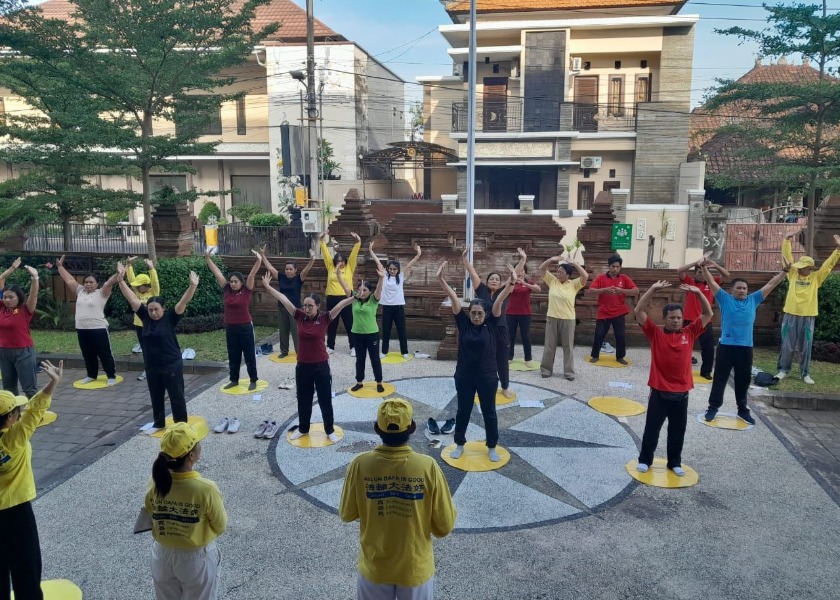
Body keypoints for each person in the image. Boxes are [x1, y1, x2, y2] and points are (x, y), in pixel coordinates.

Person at [339, 398, 456, 600]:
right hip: (415, 569)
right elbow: (444, 527)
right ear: (412, 428)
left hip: (374, 568)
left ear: (376, 428)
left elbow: (346, 514)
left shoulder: (360, 465)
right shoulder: (428, 467)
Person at [261, 273, 354, 443]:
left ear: (318, 306)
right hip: (303, 366)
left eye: (310, 306)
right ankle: (303, 428)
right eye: (305, 305)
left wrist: (355, 297)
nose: (307, 308)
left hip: (321, 366)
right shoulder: (299, 316)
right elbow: (283, 299)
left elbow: (340, 305)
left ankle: (329, 429)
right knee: (303, 399)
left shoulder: (325, 318)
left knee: (325, 400)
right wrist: (268, 287)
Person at [439, 260, 515, 462]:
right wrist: (441, 279)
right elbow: (453, 297)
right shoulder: (463, 323)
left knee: (489, 412)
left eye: (480, 313)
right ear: (469, 313)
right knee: (463, 411)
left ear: (486, 315)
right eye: (473, 313)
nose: (476, 316)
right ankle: (459, 443)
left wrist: (511, 282)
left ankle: (492, 446)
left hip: (487, 377)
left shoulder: (492, 324)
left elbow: (499, 301)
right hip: (464, 377)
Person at [634, 282, 712, 476]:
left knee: (677, 431)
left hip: (681, 393)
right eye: (672, 318)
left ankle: (674, 462)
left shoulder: (690, 332)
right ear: (664, 319)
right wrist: (652, 289)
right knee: (652, 429)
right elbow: (638, 311)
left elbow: (708, 314)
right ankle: (645, 460)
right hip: (659, 391)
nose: (676, 321)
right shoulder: (655, 333)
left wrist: (698, 292)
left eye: (678, 317)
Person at [0, 359, 63, 600]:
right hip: (17, 513)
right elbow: (35, 411)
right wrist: (52, 383)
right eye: (17, 410)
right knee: (26, 570)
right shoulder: (14, 439)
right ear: (10, 417)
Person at [146, 422, 227, 600]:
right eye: (198, 442)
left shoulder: (155, 483)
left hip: (162, 555)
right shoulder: (206, 489)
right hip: (196, 559)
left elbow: (150, 515)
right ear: (191, 455)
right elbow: (220, 526)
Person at [117, 264, 199, 434]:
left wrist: (192, 286)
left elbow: (183, 301)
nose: (153, 313)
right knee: (156, 395)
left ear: (163, 309)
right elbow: (132, 298)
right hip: (152, 365)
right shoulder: (145, 317)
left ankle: (181, 425)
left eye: (156, 309)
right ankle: (158, 423)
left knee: (176, 396)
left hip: (171, 364)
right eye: (151, 310)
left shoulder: (170, 318)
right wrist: (121, 281)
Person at [701, 261, 787, 424]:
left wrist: (784, 272)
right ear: (732, 290)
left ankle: (742, 410)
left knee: (743, 380)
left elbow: (771, 284)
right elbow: (711, 282)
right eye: (739, 288)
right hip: (726, 347)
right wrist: (703, 267)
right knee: (720, 379)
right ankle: (713, 408)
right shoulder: (724, 299)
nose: (742, 290)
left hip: (745, 348)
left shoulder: (754, 300)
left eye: (744, 288)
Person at [776, 231, 840, 384]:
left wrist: (838, 250)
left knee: (806, 346)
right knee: (787, 345)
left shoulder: (816, 278)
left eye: (803, 267)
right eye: (799, 266)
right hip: (790, 314)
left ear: (810, 268)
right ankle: (783, 370)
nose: (799, 268)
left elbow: (828, 265)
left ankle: (805, 374)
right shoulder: (792, 274)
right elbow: (787, 259)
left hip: (808, 316)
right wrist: (786, 241)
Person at [462, 246, 526, 399]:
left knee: (502, 360)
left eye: (497, 279)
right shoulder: (481, 290)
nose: (494, 281)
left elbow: (514, 276)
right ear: (487, 281)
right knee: (480, 359)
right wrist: (464, 259)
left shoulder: (504, 291)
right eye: (492, 278)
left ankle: (504, 387)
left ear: (500, 283)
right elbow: (473, 273)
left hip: (500, 330)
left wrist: (523, 259)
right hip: (483, 329)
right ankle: (478, 386)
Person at [57, 254, 120, 385]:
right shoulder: (80, 291)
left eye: (91, 282)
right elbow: (69, 279)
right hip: (82, 329)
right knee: (87, 353)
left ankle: (111, 375)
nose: (88, 284)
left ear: (97, 284)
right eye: (86, 282)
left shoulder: (102, 293)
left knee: (104, 353)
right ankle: (91, 375)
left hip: (98, 328)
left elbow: (109, 282)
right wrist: (60, 267)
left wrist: (118, 273)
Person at [205, 250, 261, 390]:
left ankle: (253, 379)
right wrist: (208, 259)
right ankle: (234, 380)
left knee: (249, 355)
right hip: (231, 328)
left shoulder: (246, 290)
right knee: (233, 355)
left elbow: (252, 275)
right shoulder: (226, 289)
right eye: (231, 281)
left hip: (245, 327)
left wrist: (259, 260)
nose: (233, 284)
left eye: (236, 282)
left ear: (241, 283)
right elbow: (217, 273)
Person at [677, 252, 731, 380]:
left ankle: (706, 371)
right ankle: (679, 370)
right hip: (689, 320)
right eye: (698, 272)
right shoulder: (690, 281)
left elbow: (727, 275)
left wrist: (715, 265)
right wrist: (695, 263)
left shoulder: (712, 283)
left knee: (708, 348)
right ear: (695, 274)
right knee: (683, 346)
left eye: (703, 272)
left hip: (706, 321)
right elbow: (680, 270)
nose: (701, 274)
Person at [336, 263, 386, 394]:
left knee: (375, 359)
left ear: (369, 291)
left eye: (365, 290)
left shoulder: (374, 299)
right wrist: (338, 275)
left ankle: (379, 382)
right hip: (357, 334)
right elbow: (345, 286)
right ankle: (359, 382)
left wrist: (381, 278)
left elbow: (379, 289)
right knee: (360, 359)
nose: (362, 293)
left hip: (372, 334)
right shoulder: (354, 298)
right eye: (360, 290)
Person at [368, 242, 422, 359]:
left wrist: (418, 255)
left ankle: (404, 351)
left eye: (394, 269)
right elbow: (378, 262)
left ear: (398, 270)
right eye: (391, 269)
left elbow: (409, 265)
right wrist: (371, 250)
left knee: (401, 330)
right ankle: (384, 351)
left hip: (398, 308)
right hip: (387, 307)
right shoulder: (385, 276)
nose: (392, 271)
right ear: (388, 269)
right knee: (386, 330)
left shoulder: (401, 277)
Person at [259, 249, 315, 359]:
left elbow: (307, 269)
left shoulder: (299, 278)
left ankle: (300, 352)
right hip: (282, 308)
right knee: (283, 330)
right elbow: (270, 268)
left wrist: (312, 259)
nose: (288, 271)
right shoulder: (281, 277)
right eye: (287, 269)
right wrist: (263, 255)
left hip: (295, 310)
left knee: (296, 332)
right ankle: (284, 351)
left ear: (295, 270)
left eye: (291, 269)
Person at [538, 257, 588, 380]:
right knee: (549, 345)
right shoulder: (552, 281)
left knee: (568, 347)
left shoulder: (574, 284)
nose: (558, 274)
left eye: (561, 272)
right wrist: (551, 260)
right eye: (558, 271)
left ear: (568, 275)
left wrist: (575, 263)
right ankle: (546, 370)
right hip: (552, 317)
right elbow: (541, 269)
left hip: (568, 319)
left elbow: (585, 276)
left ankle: (569, 372)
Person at [0, 261, 40, 398]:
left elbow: (33, 295)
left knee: (29, 388)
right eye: (5, 297)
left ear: (18, 297)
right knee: (9, 389)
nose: (7, 300)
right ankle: (13, 411)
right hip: (4, 352)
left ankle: (35, 411)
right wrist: (12, 268)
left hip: (23, 351)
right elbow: (1, 279)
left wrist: (35, 277)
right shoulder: (2, 308)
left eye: (11, 297)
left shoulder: (25, 309)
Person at [588, 254, 638, 365]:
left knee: (620, 336)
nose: (615, 269)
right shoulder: (601, 278)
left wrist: (623, 291)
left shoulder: (624, 278)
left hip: (619, 312)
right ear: (609, 266)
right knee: (599, 334)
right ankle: (595, 355)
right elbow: (590, 290)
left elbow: (636, 291)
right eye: (613, 266)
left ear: (620, 267)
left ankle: (620, 357)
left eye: (617, 267)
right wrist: (603, 290)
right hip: (604, 311)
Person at [320, 229, 361, 355]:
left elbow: (354, 254)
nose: (340, 262)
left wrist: (357, 242)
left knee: (349, 323)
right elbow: (326, 253)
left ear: (345, 261)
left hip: (346, 298)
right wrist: (321, 240)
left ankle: (353, 347)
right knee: (332, 323)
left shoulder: (349, 267)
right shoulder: (330, 267)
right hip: (332, 298)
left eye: (342, 260)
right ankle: (330, 346)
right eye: (337, 260)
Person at [126, 256, 161, 381]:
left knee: (154, 347)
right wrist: (129, 266)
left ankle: (158, 368)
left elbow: (155, 282)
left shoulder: (153, 293)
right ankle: (148, 369)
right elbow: (131, 280)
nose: (136, 287)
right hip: (139, 325)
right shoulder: (136, 293)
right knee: (145, 348)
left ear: (145, 285)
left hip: (152, 325)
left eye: (139, 285)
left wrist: (151, 269)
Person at [506, 264, 541, 366]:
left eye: (522, 270)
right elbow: (508, 291)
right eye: (518, 270)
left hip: (525, 314)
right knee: (510, 336)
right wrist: (513, 281)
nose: (520, 272)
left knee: (525, 337)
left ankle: (528, 359)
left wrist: (525, 283)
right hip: (510, 313)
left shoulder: (528, 282)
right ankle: (509, 357)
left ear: (525, 272)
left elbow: (538, 289)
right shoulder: (510, 282)